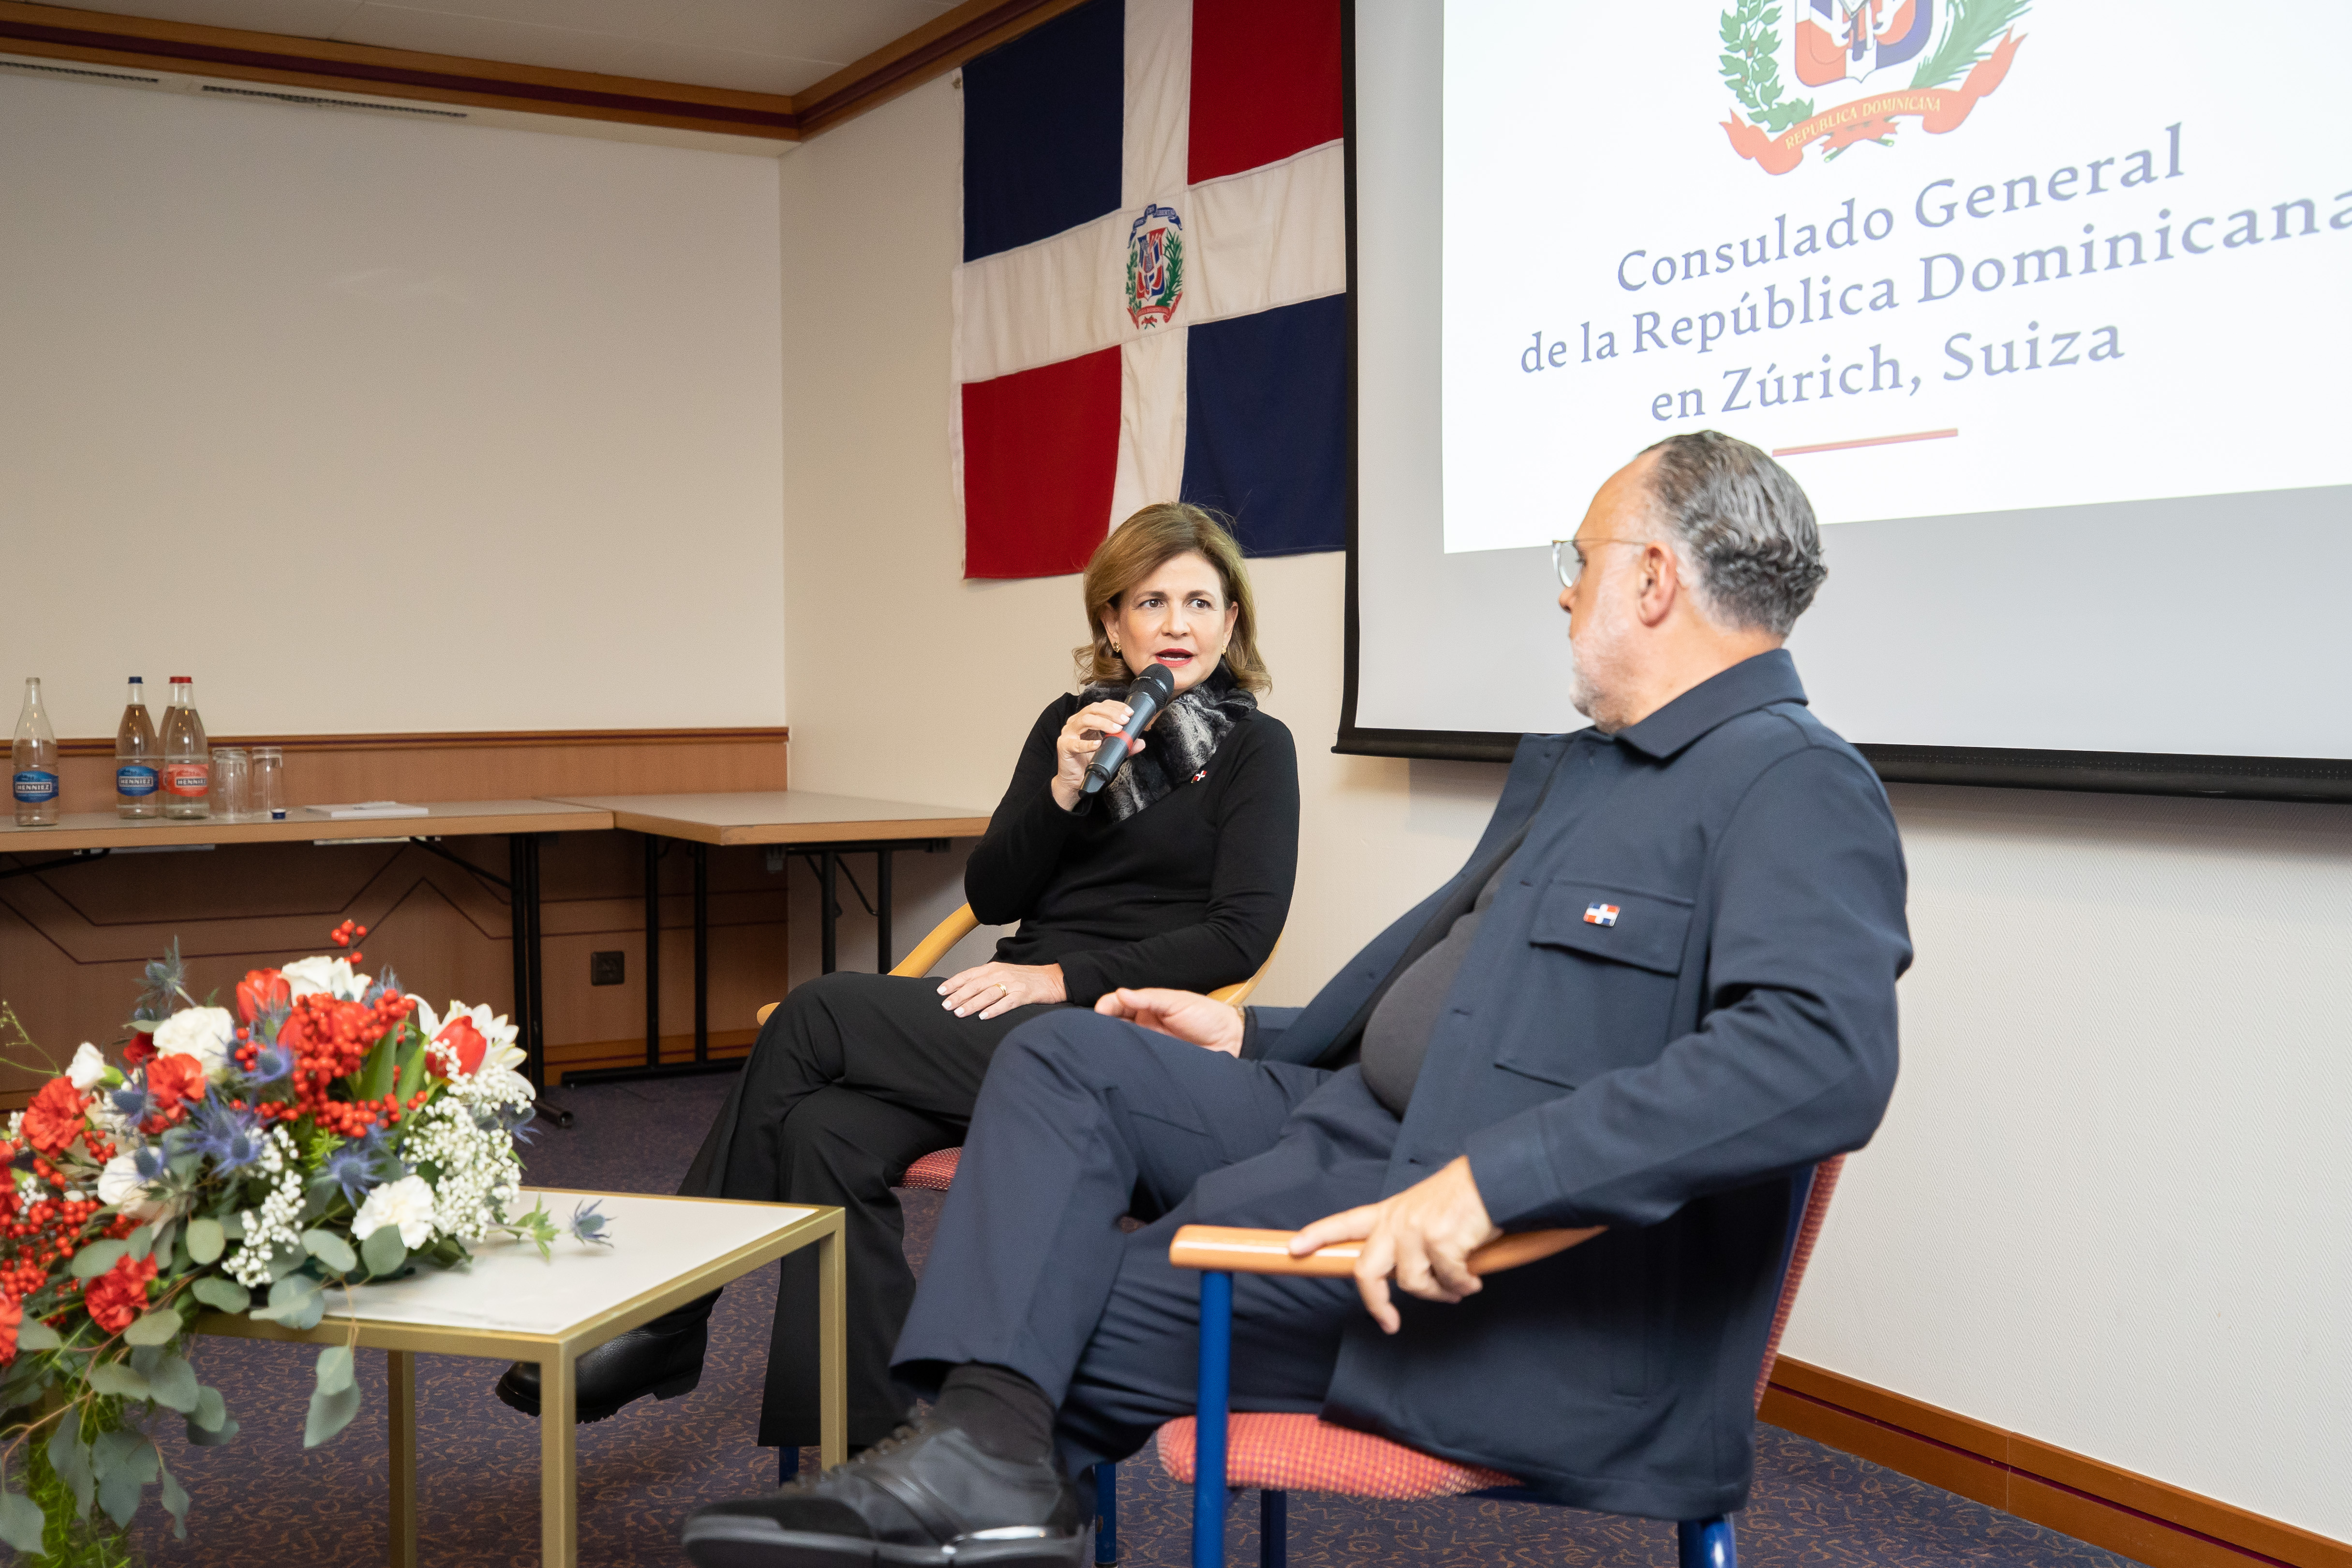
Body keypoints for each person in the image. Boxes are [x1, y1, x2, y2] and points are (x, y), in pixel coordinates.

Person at [676, 431, 1914, 1568]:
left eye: (1577, 562)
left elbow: (1819, 1059)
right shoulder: (1605, 774)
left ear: (1651, 579)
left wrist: (1492, 1183)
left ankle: (977, 1469)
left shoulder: (1790, 780)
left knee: (1047, 1320)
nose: (1562, 592)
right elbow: (1465, 1002)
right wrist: (1248, 1027)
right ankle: (983, 1470)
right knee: (1063, 1060)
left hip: (1453, 1226)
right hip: (1335, 1113)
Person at [495, 503, 1300, 1456]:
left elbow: (1238, 935)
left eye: (1200, 603)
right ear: (1112, 623)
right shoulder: (1070, 726)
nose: (1177, 624)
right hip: (1009, 1007)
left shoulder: (1258, 749)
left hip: (1116, 1033)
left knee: (817, 1010)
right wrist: (1058, 792)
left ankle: (665, 1313)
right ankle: (867, 1441)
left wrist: (1062, 977)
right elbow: (994, 893)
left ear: (1231, 622)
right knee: (822, 1131)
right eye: (1151, 602)